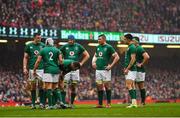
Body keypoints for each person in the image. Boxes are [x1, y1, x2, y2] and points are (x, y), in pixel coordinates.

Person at [33, 38, 65, 109]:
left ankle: (50, 105)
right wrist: (61, 69)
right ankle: (61, 102)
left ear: (46, 43)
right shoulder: (57, 50)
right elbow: (61, 61)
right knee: (56, 87)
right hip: (56, 70)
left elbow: (38, 61)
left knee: (48, 87)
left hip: (48, 70)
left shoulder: (43, 50)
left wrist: (34, 70)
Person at [59, 34, 90, 108]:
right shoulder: (64, 46)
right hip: (66, 68)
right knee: (64, 85)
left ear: (74, 40)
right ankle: (63, 103)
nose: (70, 41)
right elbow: (58, 54)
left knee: (73, 86)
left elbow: (87, 55)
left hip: (75, 69)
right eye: (69, 40)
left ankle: (72, 104)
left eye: (71, 40)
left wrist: (81, 63)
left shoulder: (78, 46)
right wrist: (61, 61)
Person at [92, 34, 119, 108]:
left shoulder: (109, 47)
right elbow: (96, 56)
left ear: (104, 39)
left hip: (105, 70)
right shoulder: (97, 47)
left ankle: (109, 103)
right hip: (98, 70)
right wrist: (93, 62)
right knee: (99, 86)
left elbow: (117, 57)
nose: (98, 40)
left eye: (99, 39)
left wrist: (111, 66)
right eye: (98, 39)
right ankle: (100, 104)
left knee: (107, 86)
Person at [23, 33, 45, 109]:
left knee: (42, 86)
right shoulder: (29, 46)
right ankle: (33, 104)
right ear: (34, 38)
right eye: (38, 38)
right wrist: (25, 67)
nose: (39, 39)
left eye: (40, 38)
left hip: (41, 68)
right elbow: (25, 57)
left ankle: (42, 103)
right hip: (32, 68)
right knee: (32, 87)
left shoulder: (43, 45)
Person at [133, 36, 150, 106]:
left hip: (139, 70)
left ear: (137, 41)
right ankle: (134, 102)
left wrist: (141, 64)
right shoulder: (134, 48)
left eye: (133, 40)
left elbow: (147, 56)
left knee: (140, 86)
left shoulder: (139, 48)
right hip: (134, 70)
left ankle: (143, 102)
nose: (132, 42)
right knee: (133, 85)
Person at [123, 34, 137, 108]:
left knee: (128, 85)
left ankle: (134, 103)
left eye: (125, 39)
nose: (124, 40)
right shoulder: (130, 47)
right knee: (131, 85)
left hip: (131, 69)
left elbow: (133, 59)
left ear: (128, 39)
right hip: (130, 69)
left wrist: (127, 68)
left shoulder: (132, 47)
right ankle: (134, 103)